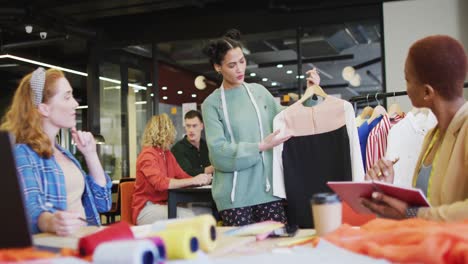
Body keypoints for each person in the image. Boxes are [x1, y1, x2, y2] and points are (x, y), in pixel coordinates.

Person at [201, 29, 319, 226]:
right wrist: (260, 146)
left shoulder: (259, 93)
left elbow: (288, 119)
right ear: (217, 67)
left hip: (269, 193)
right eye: (232, 65)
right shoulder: (211, 104)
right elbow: (218, 154)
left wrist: (311, 93)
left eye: (242, 61)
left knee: (275, 253)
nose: (239, 69)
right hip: (234, 199)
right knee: (243, 255)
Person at [362, 35, 467, 221]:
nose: (407, 89)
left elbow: (424, 214)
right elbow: (427, 209)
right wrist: (387, 190)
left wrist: (409, 212)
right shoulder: (432, 136)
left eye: (408, 80)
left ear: (427, 92)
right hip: (433, 245)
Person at [0, 67, 112, 236]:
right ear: (44, 109)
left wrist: (90, 154)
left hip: (84, 242)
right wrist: (50, 222)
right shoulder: (23, 153)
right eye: (67, 97)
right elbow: (30, 207)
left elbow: (103, 204)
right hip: (58, 250)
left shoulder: (65, 154)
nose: (75, 103)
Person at [132, 114, 212, 225]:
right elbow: (160, 183)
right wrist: (194, 180)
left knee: (207, 213)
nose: (173, 135)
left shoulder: (167, 154)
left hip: (166, 205)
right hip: (146, 209)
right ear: (165, 132)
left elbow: (183, 176)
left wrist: (201, 180)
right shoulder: (147, 155)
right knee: (189, 216)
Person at [171, 110, 213, 176]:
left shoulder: (208, 146)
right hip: (189, 186)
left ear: (201, 126)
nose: (191, 130)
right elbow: (186, 172)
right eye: (188, 126)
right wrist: (211, 169)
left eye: (194, 126)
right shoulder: (178, 148)